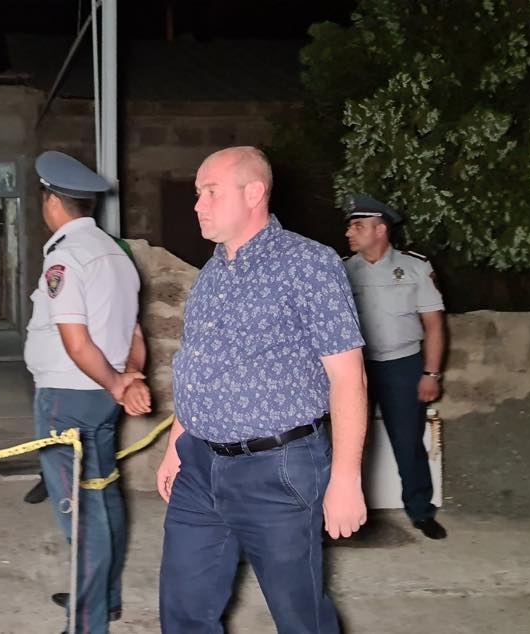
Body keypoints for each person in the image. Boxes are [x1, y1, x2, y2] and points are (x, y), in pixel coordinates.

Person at [156, 147, 368, 633]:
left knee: (299, 616)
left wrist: (346, 478)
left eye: (211, 192)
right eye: (198, 194)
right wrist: (174, 447)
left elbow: (348, 377)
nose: (198, 205)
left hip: (276, 470)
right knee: (183, 608)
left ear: (253, 193)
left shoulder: (308, 264)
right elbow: (199, 368)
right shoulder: (211, 275)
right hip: (199, 465)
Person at [24, 150, 151, 634]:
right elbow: (134, 333)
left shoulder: (66, 257)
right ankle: (103, 597)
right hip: (100, 397)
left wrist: (119, 382)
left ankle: (86, 623)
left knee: (78, 513)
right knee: (102, 494)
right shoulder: (117, 255)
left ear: (52, 201)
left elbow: (76, 343)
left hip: (67, 398)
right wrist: (128, 377)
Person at [343, 194, 448, 540]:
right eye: (350, 226)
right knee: (352, 444)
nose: (349, 233)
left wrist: (431, 374)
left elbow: (434, 325)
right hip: (357, 368)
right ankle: (347, 514)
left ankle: (420, 511)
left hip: (403, 366)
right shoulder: (342, 270)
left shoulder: (414, 267)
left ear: (381, 230)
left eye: (358, 226)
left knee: (408, 442)